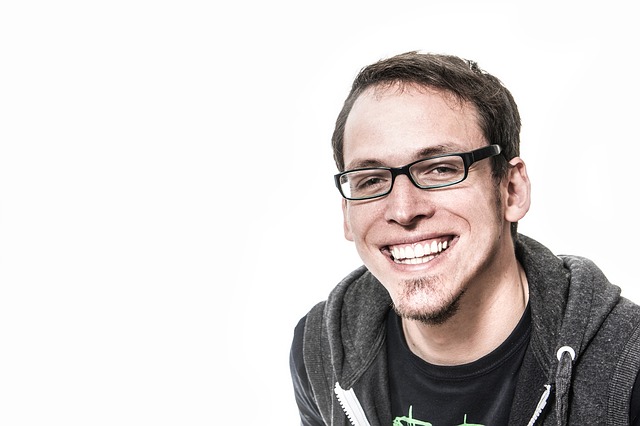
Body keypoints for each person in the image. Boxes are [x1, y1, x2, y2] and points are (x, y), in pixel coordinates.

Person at [289, 51, 640, 425]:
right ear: (346, 212)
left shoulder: (627, 368)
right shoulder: (320, 352)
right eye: (371, 180)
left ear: (512, 189)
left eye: (440, 169)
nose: (403, 210)